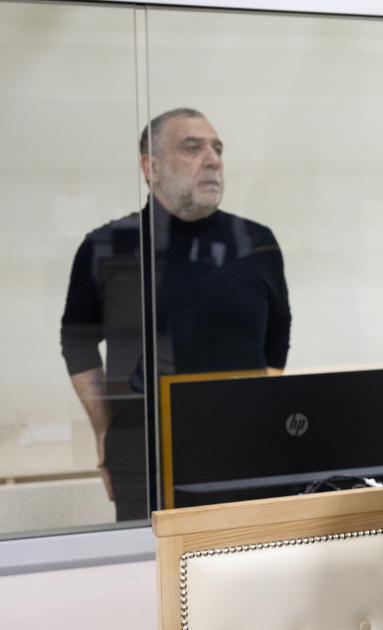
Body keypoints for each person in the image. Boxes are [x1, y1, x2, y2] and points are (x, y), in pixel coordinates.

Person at [61, 108, 291, 520]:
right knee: (149, 562)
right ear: (151, 167)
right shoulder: (107, 246)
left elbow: (277, 332)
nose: (213, 159)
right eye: (192, 148)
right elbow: (77, 342)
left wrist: (261, 406)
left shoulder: (256, 241)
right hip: (146, 460)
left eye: (217, 149)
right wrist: (104, 430)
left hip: (247, 455)